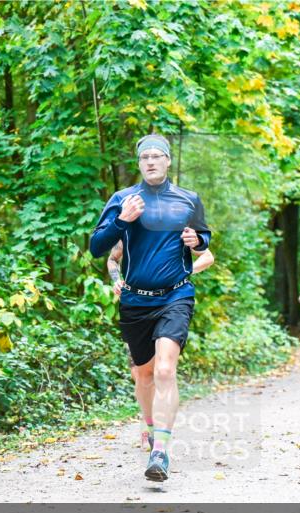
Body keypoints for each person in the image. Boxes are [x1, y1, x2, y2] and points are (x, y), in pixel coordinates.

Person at [90, 134, 210, 482]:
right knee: (143, 375)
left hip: (175, 295)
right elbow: (97, 247)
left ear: (168, 160)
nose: (151, 161)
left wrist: (196, 240)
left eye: (158, 156)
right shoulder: (122, 199)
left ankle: (161, 451)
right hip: (135, 301)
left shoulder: (188, 199)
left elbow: (203, 237)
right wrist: (122, 220)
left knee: (165, 370)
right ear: (139, 163)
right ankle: (149, 425)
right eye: (145, 157)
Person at [107, 240, 214, 450]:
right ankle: (147, 421)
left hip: (171, 301)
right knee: (140, 373)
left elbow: (207, 256)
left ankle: (157, 435)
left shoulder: (177, 228)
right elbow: (112, 258)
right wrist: (117, 280)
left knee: (163, 370)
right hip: (136, 306)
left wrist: (184, 272)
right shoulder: (130, 228)